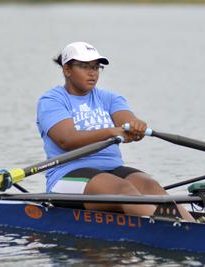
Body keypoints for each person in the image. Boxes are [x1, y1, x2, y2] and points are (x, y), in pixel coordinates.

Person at [36, 41, 193, 221]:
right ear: (67, 70)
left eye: (96, 67)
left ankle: (194, 227)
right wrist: (110, 132)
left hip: (111, 170)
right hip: (67, 176)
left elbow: (127, 121)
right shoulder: (52, 100)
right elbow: (67, 140)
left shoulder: (109, 98)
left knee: (151, 186)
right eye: (84, 67)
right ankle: (172, 232)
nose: (92, 73)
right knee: (123, 190)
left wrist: (136, 127)